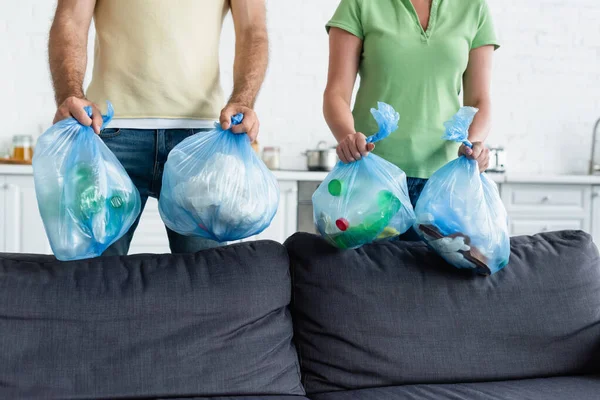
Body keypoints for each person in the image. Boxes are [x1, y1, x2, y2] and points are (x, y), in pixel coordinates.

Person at [48, 0, 268, 255]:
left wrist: (243, 101)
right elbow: (70, 20)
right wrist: (70, 95)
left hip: (201, 142)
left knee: (206, 284)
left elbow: (253, 30)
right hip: (108, 134)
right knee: (95, 280)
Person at [323, 0, 499, 209]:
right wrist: (347, 137)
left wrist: (474, 145)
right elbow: (336, 92)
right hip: (370, 173)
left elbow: (479, 99)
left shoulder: (473, 7)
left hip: (446, 181)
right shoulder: (360, 3)